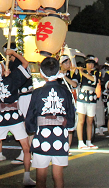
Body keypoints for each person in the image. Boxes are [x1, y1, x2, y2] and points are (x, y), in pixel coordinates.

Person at [0, 49, 35, 187]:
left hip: (1, 117)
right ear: (1, 70)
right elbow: (25, 63)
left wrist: (4, 75)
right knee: (26, 147)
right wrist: (14, 53)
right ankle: (26, 177)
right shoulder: (12, 79)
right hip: (14, 116)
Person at [25, 56, 75, 188]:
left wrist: (31, 132)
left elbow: (30, 116)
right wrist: (67, 127)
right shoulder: (65, 91)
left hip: (42, 135)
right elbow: (71, 116)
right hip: (60, 135)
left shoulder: (37, 92)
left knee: (41, 178)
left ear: (41, 73)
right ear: (59, 70)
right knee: (58, 177)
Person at [72, 56, 100, 150]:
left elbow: (94, 80)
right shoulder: (80, 73)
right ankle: (81, 142)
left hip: (92, 97)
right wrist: (77, 71)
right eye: (88, 63)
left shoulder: (96, 73)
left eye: (92, 63)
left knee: (90, 121)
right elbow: (75, 81)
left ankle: (89, 141)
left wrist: (82, 72)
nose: (90, 65)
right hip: (82, 97)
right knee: (81, 120)